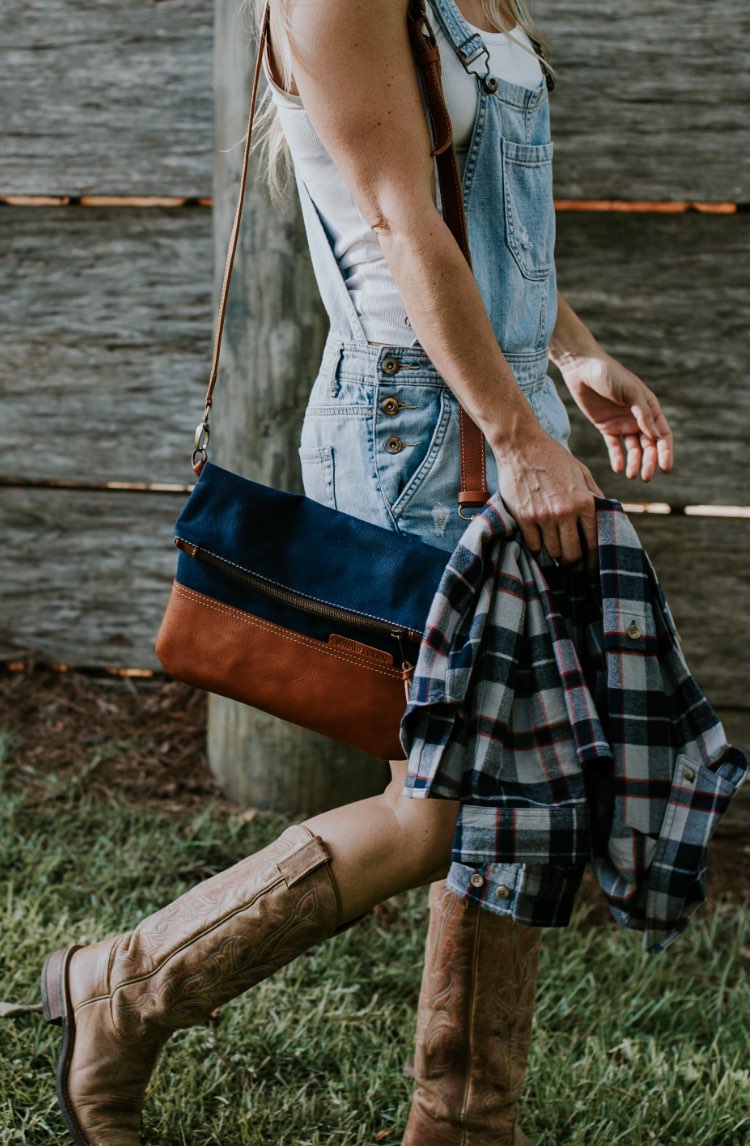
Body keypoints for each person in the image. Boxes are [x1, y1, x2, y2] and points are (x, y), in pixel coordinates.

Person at [41, 2, 675, 1143]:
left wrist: (568, 353)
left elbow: (470, 215)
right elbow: (394, 221)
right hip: (422, 427)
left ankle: (466, 1123)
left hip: (496, 400)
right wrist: (519, 437)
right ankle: (123, 989)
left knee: (514, 802)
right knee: (439, 806)